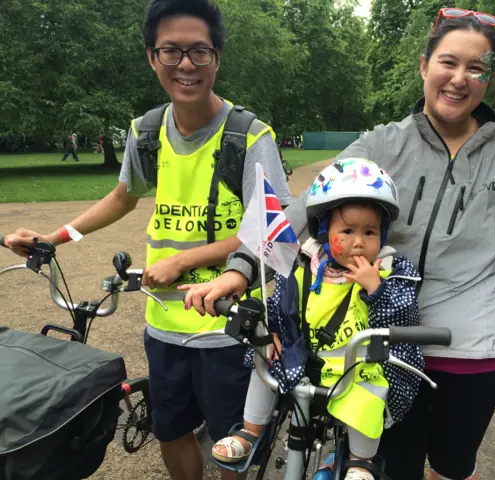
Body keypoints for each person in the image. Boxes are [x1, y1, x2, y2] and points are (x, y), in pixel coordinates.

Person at [182, 9, 495, 480]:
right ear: (425, 65)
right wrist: (240, 268)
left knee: (451, 467)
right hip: (377, 342)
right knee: (389, 469)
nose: (459, 79)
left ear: (490, 77)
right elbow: (303, 210)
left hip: (471, 346)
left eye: (477, 68)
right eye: (448, 63)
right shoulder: (382, 144)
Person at [2, 1, 291, 479]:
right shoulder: (146, 132)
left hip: (228, 328)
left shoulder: (249, 136)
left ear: (217, 57)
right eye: (171, 51)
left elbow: (274, 233)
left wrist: (186, 261)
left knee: (230, 444)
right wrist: (53, 237)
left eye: (199, 52)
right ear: (151, 58)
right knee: (170, 430)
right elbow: (121, 198)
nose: (185, 65)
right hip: (164, 324)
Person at [197, 159, 423, 480]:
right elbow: (282, 304)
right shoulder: (307, 263)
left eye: (370, 232)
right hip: (301, 357)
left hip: (355, 365)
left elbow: (404, 319)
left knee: (370, 392)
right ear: (323, 230)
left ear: (383, 234)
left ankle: (360, 461)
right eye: (347, 231)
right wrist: (271, 330)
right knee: (265, 360)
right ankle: (250, 431)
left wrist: (376, 287)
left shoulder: (390, 271)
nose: (359, 241)